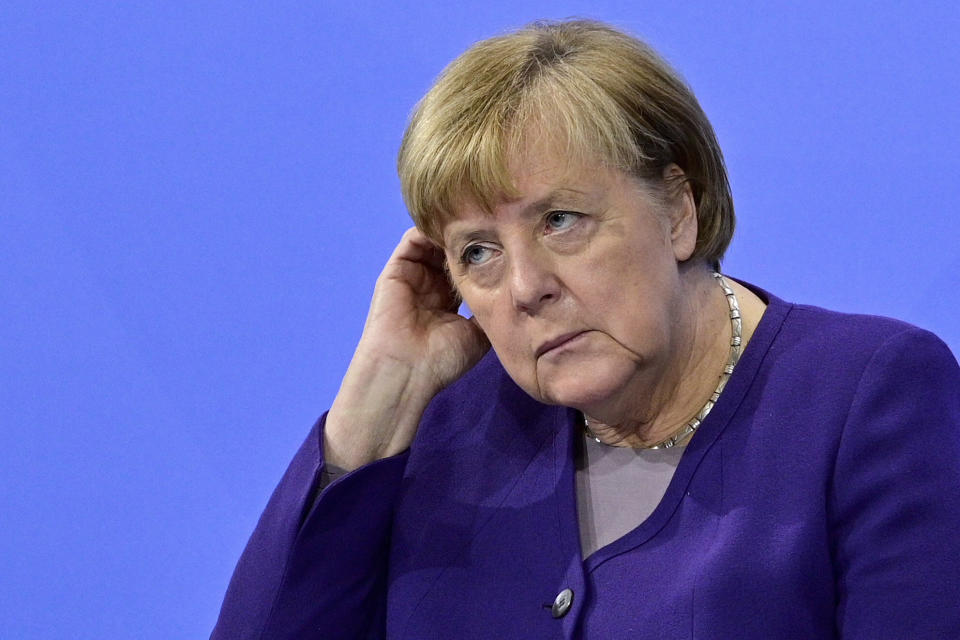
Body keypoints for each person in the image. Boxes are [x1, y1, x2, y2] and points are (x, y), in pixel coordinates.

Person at [211, 19, 960, 639]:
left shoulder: (867, 395)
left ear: (676, 208)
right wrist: (379, 403)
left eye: (559, 220)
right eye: (479, 252)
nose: (526, 288)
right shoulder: (449, 435)